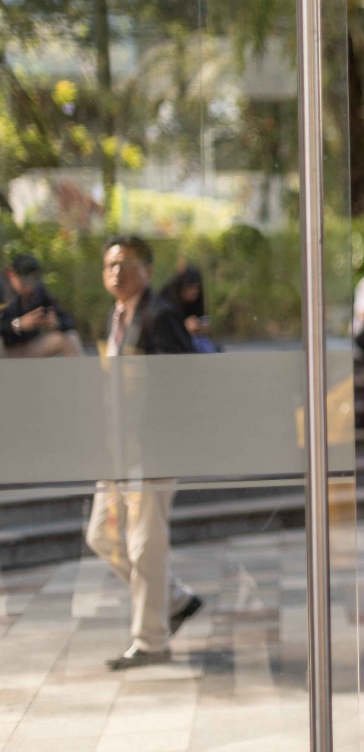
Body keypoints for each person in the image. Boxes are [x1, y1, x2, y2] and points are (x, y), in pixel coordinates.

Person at [86, 235, 203, 670]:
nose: (116, 271)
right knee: (101, 534)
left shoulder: (160, 316)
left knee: (145, 545)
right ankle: (172, 599)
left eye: (126, 263)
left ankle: (151, 640)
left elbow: (180, 382)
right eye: (110, 264)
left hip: (153, 449)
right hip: (118, 448)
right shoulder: (117, 315)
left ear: (148, 271)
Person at [0, 254, 83, 358]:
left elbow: (68, 319)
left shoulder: (39, 291)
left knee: (70, 338)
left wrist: (56, 323)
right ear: (11, 274)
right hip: (5, 351)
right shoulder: (2, 290)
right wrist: (18, 324)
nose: (30, 286)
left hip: (29, 347)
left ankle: (78, 374)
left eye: (33, 280)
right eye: (25, 281)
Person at [161, 265, 217, 353]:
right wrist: (183, 327)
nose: (194, 291)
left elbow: (202, 317)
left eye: (197, 288)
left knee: (203, 342)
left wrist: (202, 325)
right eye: (190, 288)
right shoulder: (166, 301)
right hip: (170, 344)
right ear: (181, 288)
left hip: (194, 340)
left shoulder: (197, 300)